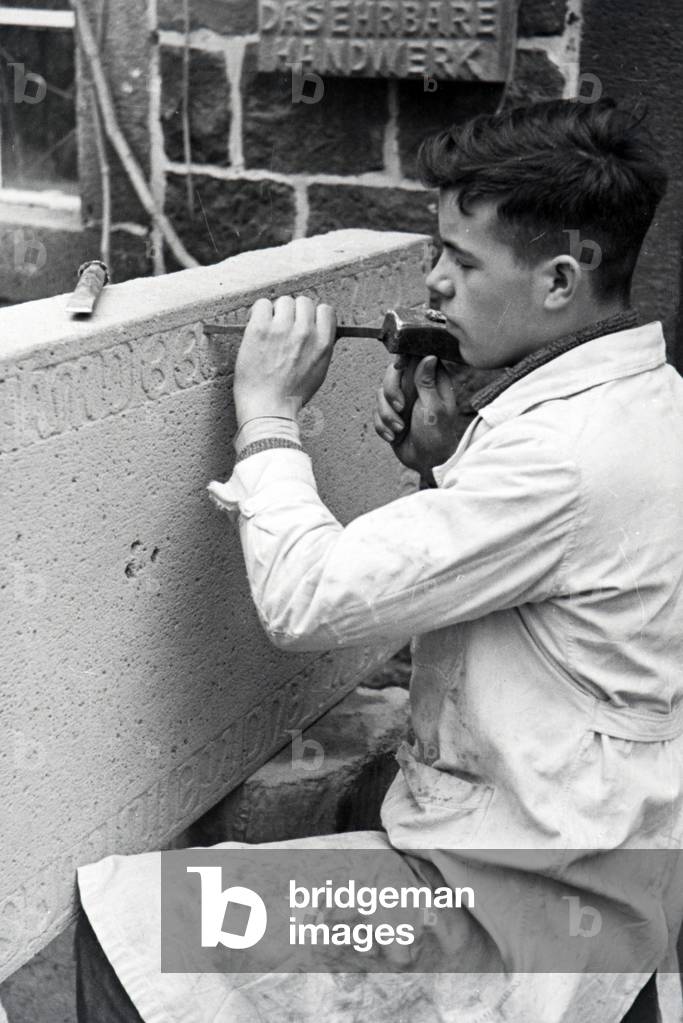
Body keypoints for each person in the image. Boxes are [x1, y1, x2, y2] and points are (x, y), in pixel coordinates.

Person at [75, 98, 683, 1022]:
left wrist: (270, 418)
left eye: (462, 262)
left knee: (135, 925)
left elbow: (306, 602)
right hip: (599, 845)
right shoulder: (640, 399)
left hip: (520, 899)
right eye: (435, 251)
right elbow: (535, 570)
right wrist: (443, 470)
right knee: (325, 801)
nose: (433, 282)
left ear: (560, 279)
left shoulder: (560, 455)